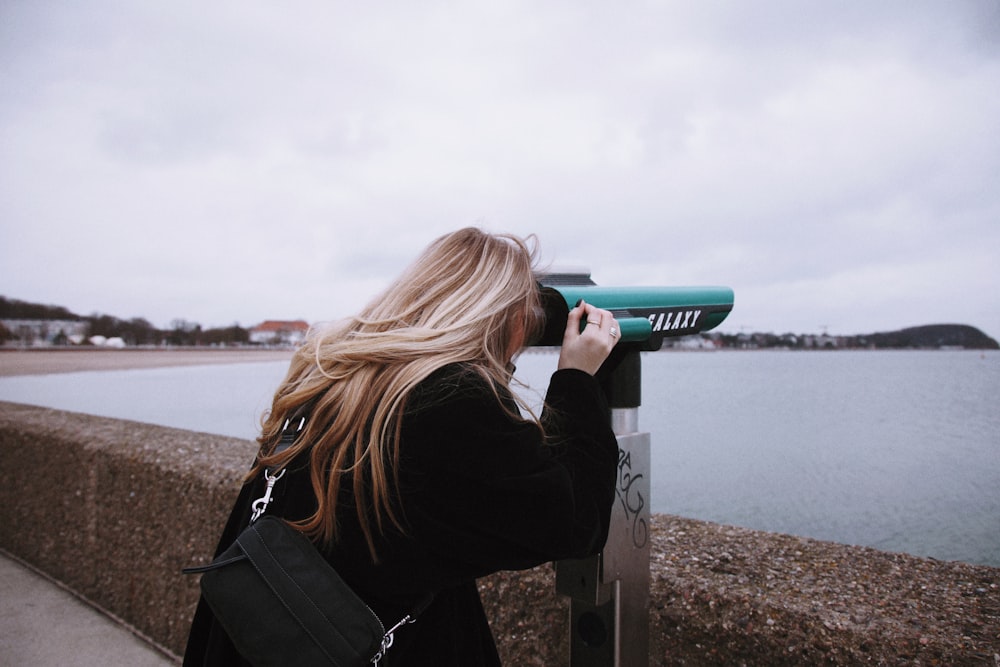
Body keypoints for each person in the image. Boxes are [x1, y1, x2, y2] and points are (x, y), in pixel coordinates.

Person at [183, 227, 621, 666]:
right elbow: (574, 520)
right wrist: (577, 379)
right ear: (497, 314)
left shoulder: (335, 375)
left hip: (248, 640)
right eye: (525, 311)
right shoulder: (450, 404)